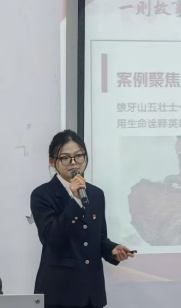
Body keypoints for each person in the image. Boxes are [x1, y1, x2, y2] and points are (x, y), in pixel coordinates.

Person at [30, 130, 135, 308]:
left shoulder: (96, 194)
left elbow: (98, 237)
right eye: (65, 158)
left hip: (91, 293)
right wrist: (75, 200)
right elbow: (50, 238)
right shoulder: (42, 194)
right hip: (59, 292)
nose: (74, 163)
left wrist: (113, 249)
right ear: (52, 162)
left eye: (79, 156)